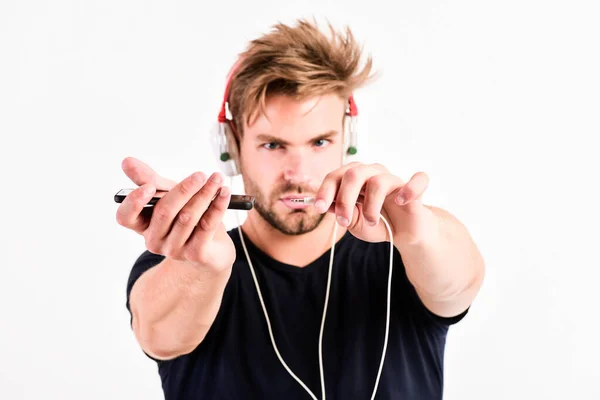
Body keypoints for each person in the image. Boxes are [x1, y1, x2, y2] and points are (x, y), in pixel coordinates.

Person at [116, 18, 485, 400]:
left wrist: (415, 233)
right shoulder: (186, 259)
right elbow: (158, 337)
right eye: (273, 145)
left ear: (349, 139)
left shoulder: (404, 255)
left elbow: (461, 281)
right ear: (232, 146)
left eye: (320, 142)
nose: (299, 173)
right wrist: (199, 266)